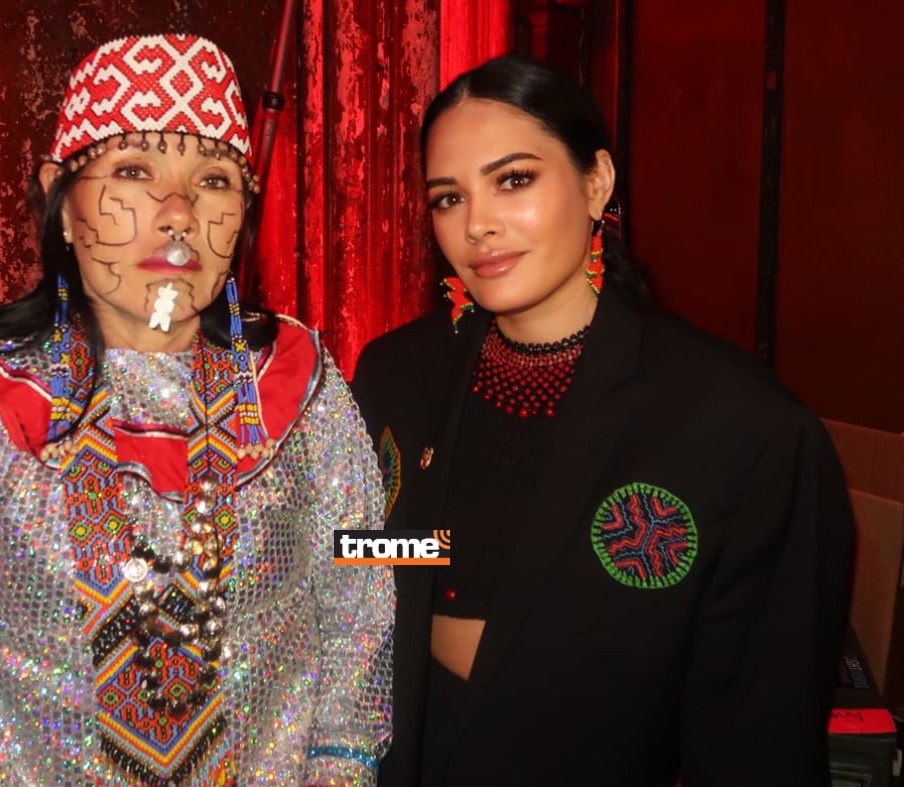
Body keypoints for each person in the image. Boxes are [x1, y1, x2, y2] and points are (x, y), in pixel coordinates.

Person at [0, 33, 392, 786]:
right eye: (134, 170)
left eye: (213, 178)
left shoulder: (299, 386)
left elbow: (360, 584)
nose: (177, 212)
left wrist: (340, 766)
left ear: (242, 211)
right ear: (64, 202)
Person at [351, 54, 852, 786]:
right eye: (447, 198)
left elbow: (759, 730)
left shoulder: (740, 428)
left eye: (513, 180)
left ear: (597, 182)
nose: (478, 225)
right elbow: (378, 553)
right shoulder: (399, 372)